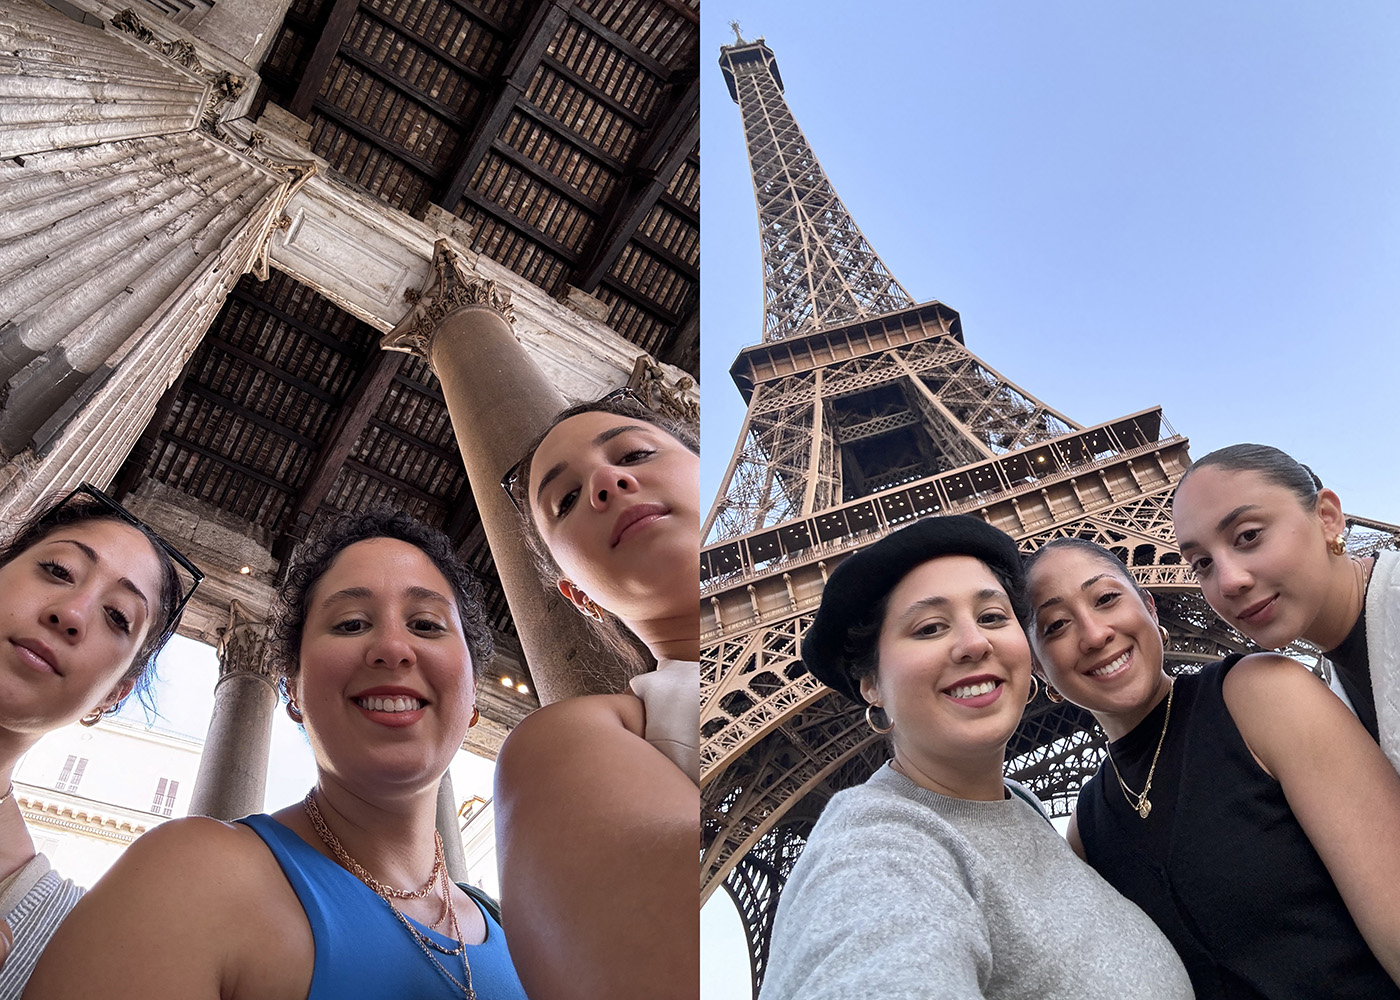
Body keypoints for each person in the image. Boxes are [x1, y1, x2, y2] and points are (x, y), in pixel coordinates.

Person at [24, 509, 528, 1000]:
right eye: (351, 624)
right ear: (292, 689)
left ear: (474, 699)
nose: (393, 648)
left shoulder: (527, 939)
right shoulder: (192, 880)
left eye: (426, 624)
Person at [759, 515, 1192, 1000]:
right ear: (871, 685)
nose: (974, 643)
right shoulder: (876, 850)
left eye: (992, 617)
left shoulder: (1022, 811)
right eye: (929, 628)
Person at [1024, 536, 1400, 998]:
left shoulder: (1261, 695)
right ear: (1040, 673)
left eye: (1106, 599)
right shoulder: (1086, 831)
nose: (1095, 633)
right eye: (1057, 625)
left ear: (1150, 609)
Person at [493, 389, 700, 1000]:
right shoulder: (576, 744)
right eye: (566, 500)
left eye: (635, 453)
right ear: (581, 595)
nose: (607, 482)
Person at [0, 483, 190, 1000]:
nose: (73, 613)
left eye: (117, 617)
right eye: (58, 571)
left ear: (112, 695)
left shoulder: (61, 942)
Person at [1171, 443, 1400, 768]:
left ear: (1327, 517)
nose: (1228, 582)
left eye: (1248, 535)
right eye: (1202, 562)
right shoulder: (1329, 692)